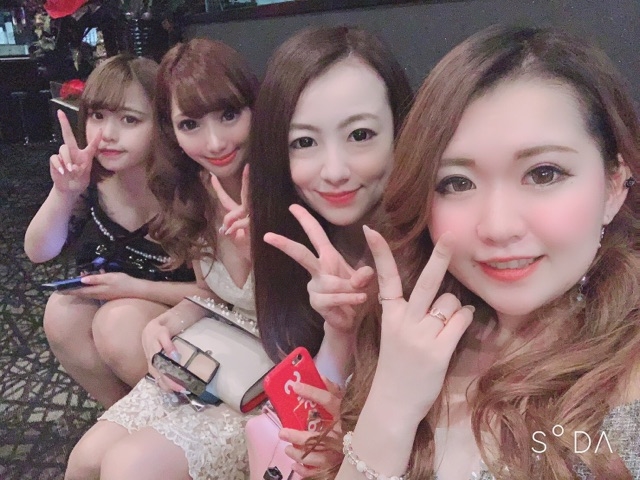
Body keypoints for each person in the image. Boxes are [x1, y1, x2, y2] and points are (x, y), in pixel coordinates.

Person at [319, 25, 639, 480]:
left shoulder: (626, 382)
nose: (497, 227)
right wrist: (387, 408)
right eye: (457, 183)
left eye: (544, 174)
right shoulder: (412, 335)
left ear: (613, 186)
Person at [63, 38, 259, 480]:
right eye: (190, 124)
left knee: (125, 468)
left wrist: (259, 257)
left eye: (229, 115)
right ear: (170, 131)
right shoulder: (195, 190)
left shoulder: (283, 185)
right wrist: (168, 323)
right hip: (220, 350)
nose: (214, 141)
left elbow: (312, 319)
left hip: (275, 372)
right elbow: (214, 294)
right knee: (83, 462)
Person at [247, 25, 412, 477]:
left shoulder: (435, 250)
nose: (334, 171)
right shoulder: (297, 241)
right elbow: (313, 422)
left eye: (360, 135)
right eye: (304, 142)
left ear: (402, 130)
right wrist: (340, 331)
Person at [23, 54, 199, 408]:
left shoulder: (189, 187)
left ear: (162, 124)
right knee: (62, 313)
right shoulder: (91, 179)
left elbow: (221, 295)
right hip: (122, 303)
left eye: (129, 119)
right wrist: (64, 192)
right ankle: (123, 413)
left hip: (190, 311)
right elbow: (38, 251)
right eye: (97, 116)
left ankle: (182, 416)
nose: (107, 135)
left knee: (115, 323)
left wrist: (131, 288)